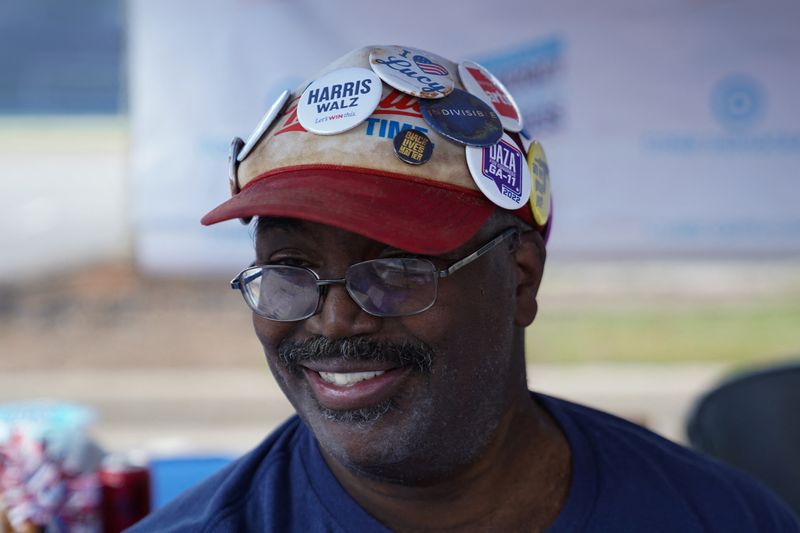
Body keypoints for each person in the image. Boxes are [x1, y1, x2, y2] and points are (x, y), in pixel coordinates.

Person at [129, 46, 799, 532]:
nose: (333, 320)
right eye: (288, 270)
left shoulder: (720, 516)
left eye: (395, 267)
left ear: (520, 278)